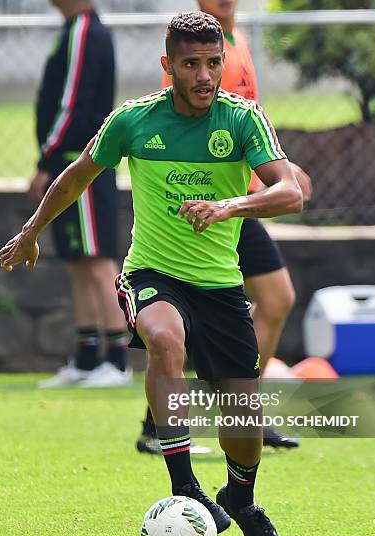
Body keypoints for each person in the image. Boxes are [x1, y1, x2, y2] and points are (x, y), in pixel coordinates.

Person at [0, 12, 303, 536]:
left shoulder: (242, 120)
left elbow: (290, 192)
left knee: (243, 426)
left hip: (220, 286)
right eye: (192, 65)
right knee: (164, 340)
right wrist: (30, 230)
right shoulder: (133, 121)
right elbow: (76, 176)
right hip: (150, 274)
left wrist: (230, 205)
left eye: (214, 63)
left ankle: (240, 497)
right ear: (169, 67)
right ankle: (185, 487)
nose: (206, 76)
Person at [136, 0, 311, 454]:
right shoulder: (203, 55)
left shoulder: (235, 41)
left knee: (276, 299)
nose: (204, 73)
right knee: (202, 316)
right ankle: (183, 417)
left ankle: (233, 405)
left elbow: (250, 119)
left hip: (241, 199)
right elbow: (188, 121)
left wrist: (281, 169)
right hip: (209, 203)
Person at [29, 0, 131, 388]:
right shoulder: (73, 30)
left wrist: (47, 158)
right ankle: (88, 358)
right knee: (77, 260)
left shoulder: (87, 31)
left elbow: (72, 103)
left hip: (82, 166)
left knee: (98, 258)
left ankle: (117, 359)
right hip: (66, 164)